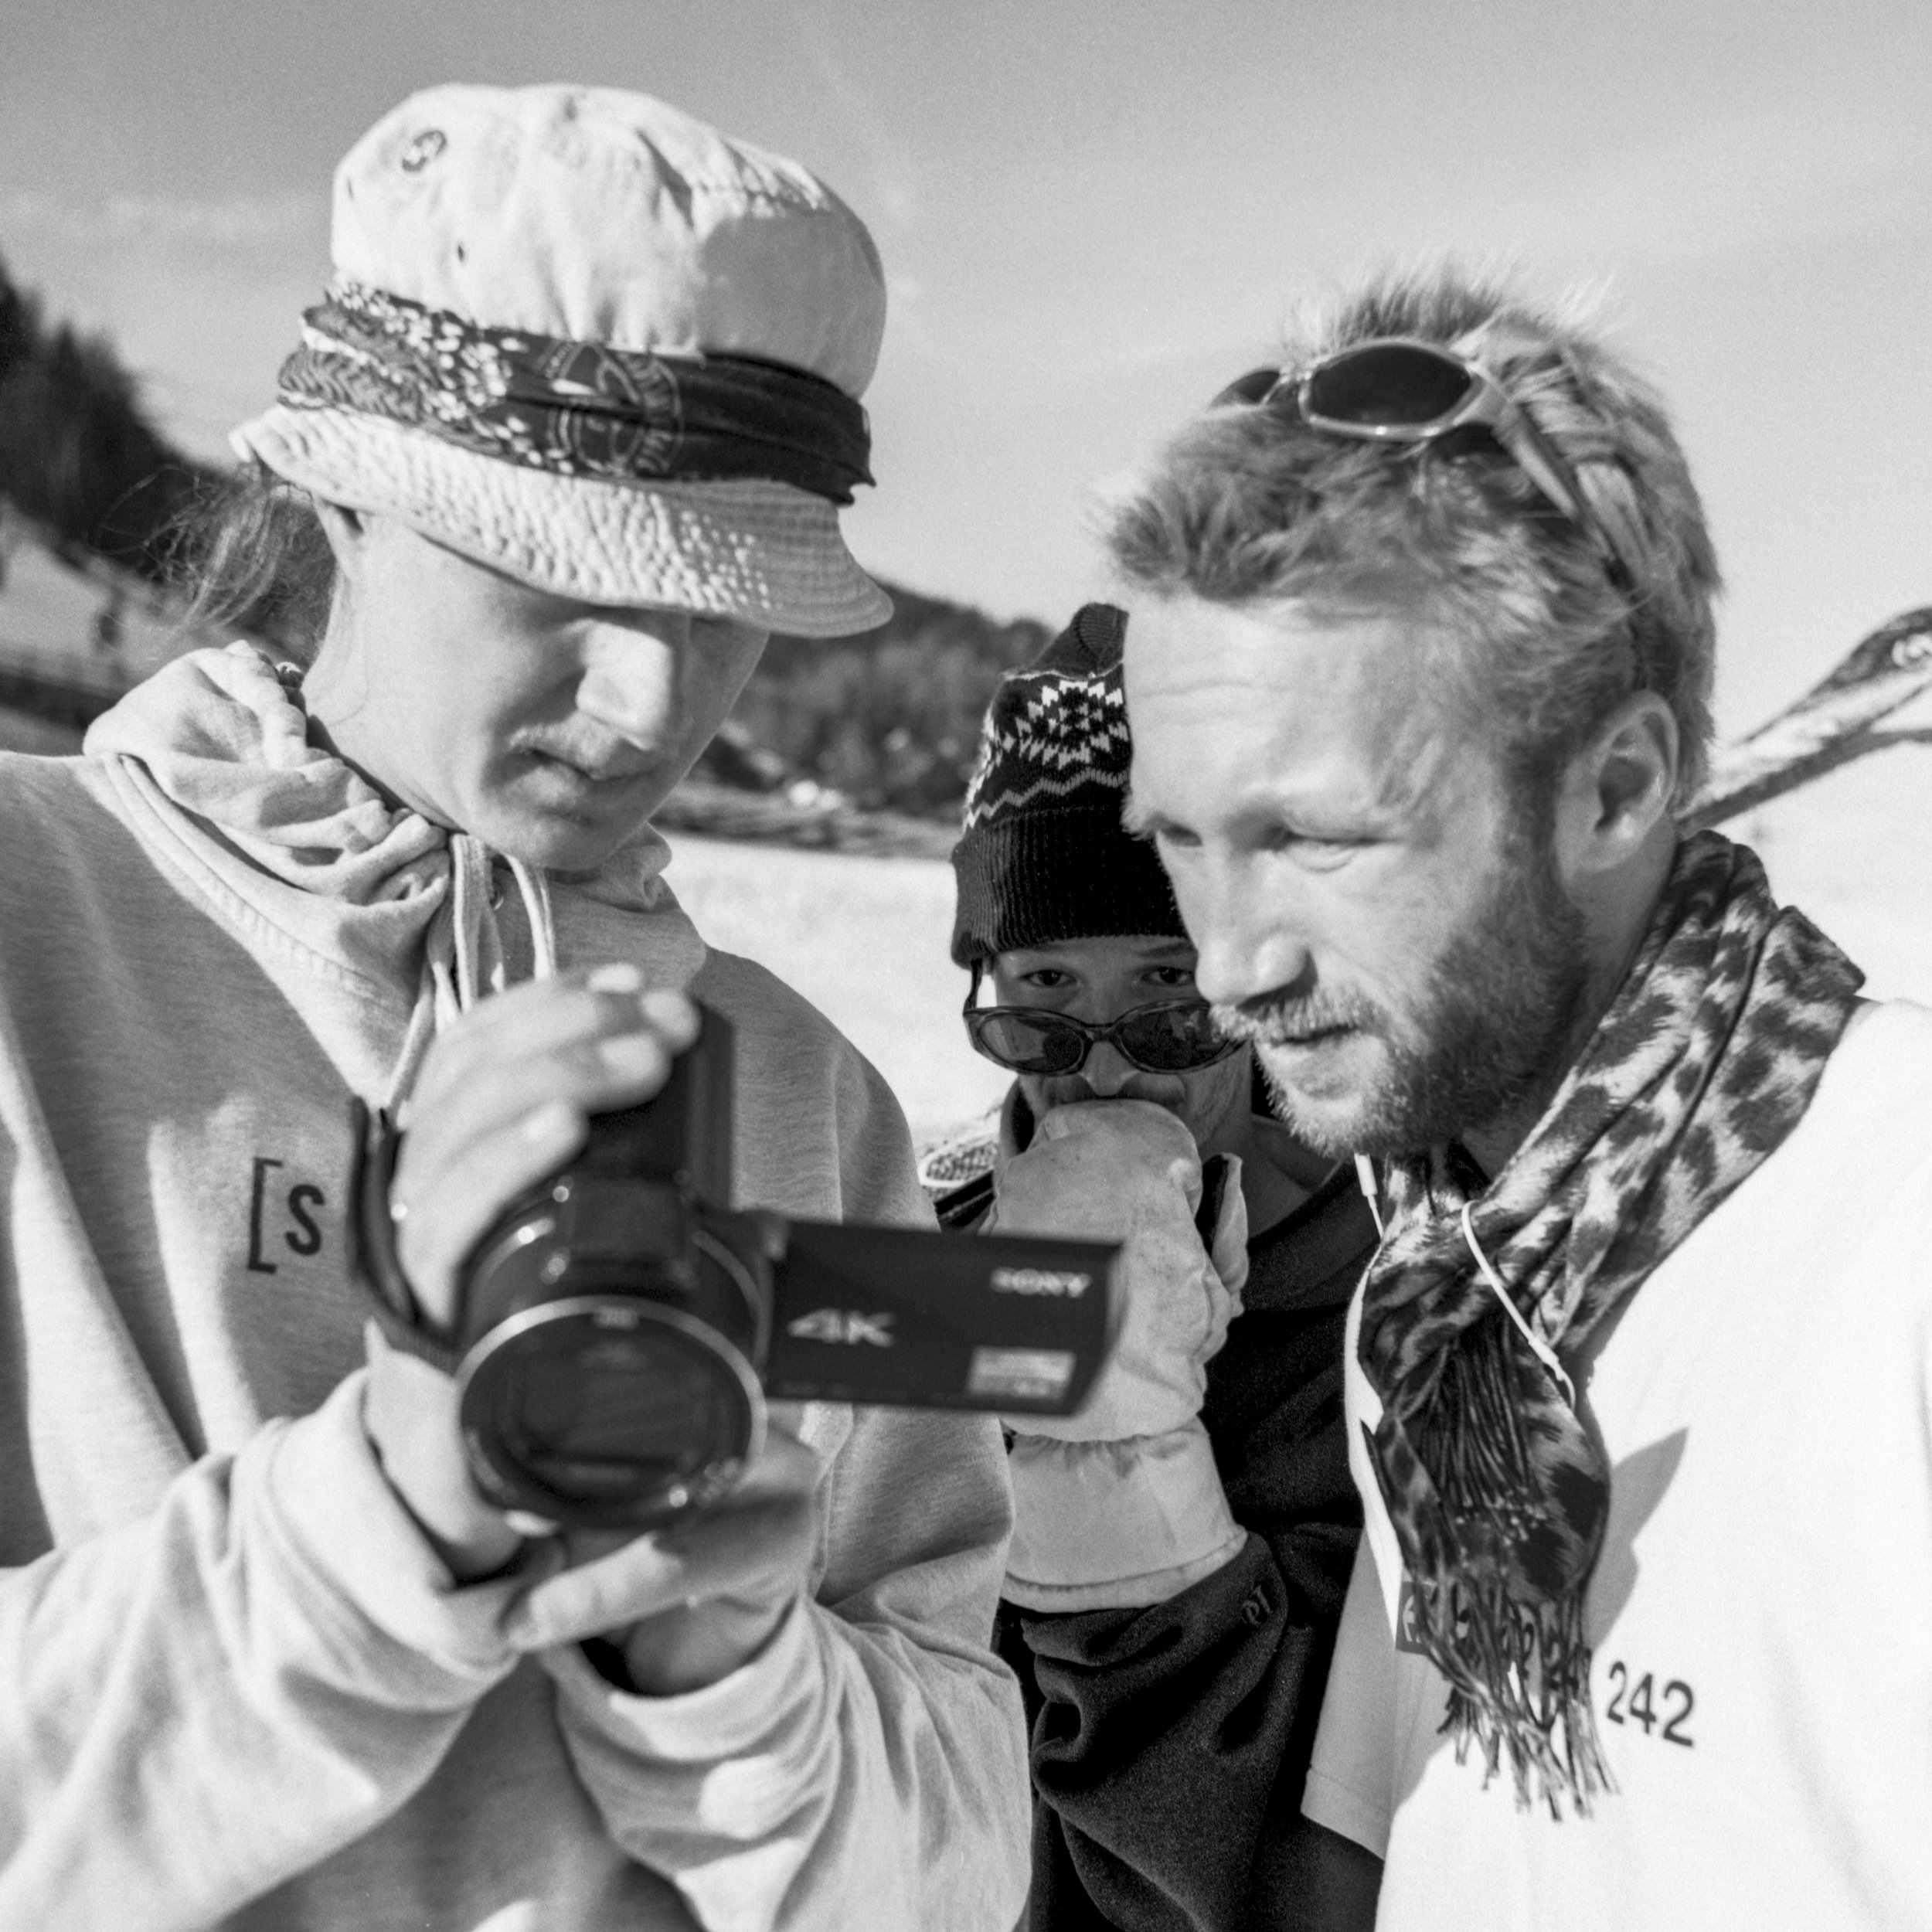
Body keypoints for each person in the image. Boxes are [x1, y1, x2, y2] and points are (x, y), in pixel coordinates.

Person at [0, 84, 1029, 1931]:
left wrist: (739, 1689)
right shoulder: (24, 927)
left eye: (728, 606)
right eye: (560, 566)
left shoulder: (818, 1105)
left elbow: (961, 1855)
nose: (651, 703)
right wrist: (370, 1529)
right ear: (337, 494)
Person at [1102, 269, 1932, 1929]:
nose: (1228, 964)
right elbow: (1387, 1844)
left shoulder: (1889, 1221)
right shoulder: (1442, 1262)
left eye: (1314, 838)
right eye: (1180, 844)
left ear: (1611, 786)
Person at [932, 601, 1380, 1930]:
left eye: (1169, 995)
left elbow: (1256, 1864)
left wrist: (1115, 1451)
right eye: (1045, 999)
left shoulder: (1391, 1319)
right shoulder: (917, 1265)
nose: (1109, 1066)